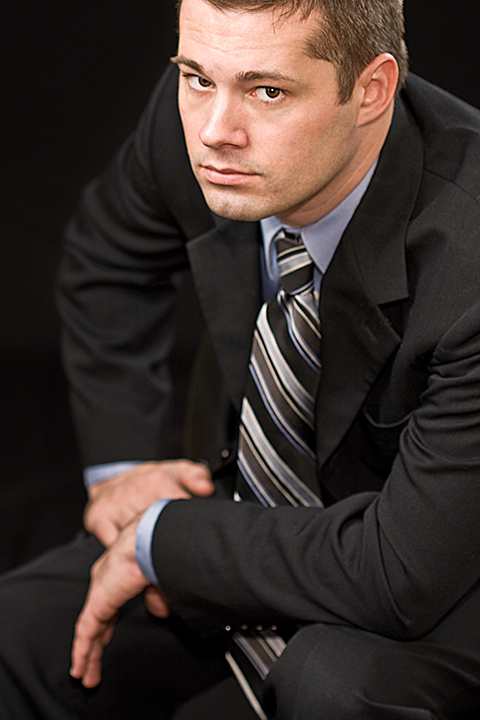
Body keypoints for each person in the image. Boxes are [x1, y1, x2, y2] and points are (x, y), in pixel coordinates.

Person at [1, 0, 480, 718]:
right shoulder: (209, 122)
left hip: (442, 560)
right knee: (18, 632)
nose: (215, 132)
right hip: (268, 515)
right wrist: (122, 471)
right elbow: (108, 260)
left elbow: (401, 574)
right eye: (197, 76)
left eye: (269, 91)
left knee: (331, 686)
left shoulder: (469, 252)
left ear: (372, 90)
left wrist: (164, 538)